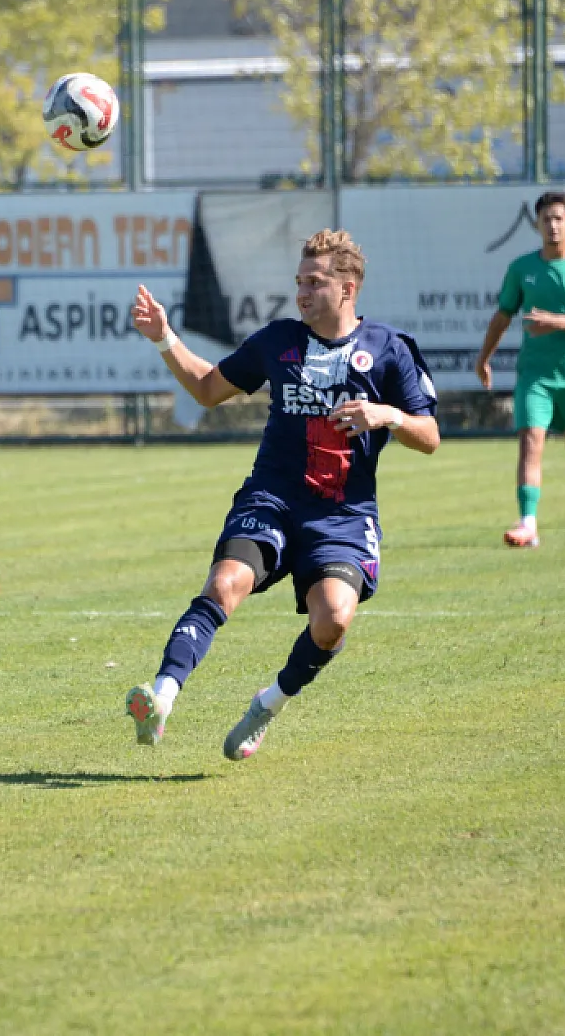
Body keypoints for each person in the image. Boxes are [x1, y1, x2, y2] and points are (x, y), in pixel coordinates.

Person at [123, 229, 439, 761]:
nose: (302, 294)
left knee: (334, 619)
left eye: (315, 283)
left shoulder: (388, 350)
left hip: (342, 514)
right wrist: (164, 339)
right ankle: (161, 698)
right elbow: (206, 388)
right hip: (271, 498)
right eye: (299, 282)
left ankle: (268, 704)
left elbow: (429, 436)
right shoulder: (278, 341)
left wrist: (385, 414)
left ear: (348, 289)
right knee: (225, 584)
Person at [475, 191, 565, 547]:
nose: (552, 225)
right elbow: (503, 315)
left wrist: (554, 320)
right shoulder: (522, 269)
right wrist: (484, 357)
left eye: (558, 218)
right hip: (536, 375)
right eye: (546, 219)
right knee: (530, 441)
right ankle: (528, 523)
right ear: (536, 224)